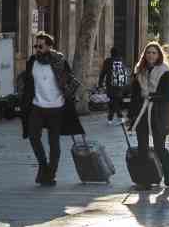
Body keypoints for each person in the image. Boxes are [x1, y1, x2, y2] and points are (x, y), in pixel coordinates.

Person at [20, 32, 83, 186]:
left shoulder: (59, 61)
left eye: (41, 46)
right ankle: (43, 166)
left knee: (53, 142)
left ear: (49, 46)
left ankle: (51, 173)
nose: (37, 49)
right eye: (36, 46)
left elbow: (72, 80)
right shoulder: (32, 61)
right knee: (33, 137)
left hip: (56, 108)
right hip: (37, 106)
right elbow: (28, 83)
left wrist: (67, 95)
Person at [126, 41, 169, 188]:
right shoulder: (139, 71)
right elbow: (135, 95)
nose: (151, 55)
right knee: (142, 147)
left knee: (158, 147)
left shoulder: (165, 71)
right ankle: (145, 180)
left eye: (154, 53)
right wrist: (130, 116)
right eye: (148, 52)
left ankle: (168, 169)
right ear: (144, 55)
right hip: (141, 112)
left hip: (159, 113)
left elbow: (168, 96)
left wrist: (152, 97)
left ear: (159, 55)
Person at [98, 47, 131, 122]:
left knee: (113, 100)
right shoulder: (122, 60)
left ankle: (118, 116)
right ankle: (112, 117)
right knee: (115, 100)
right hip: (121, 85)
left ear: (111, 53)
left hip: (111, 85)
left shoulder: (108, 61)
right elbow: (126, 72)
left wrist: (100, 84)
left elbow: (103, 73)